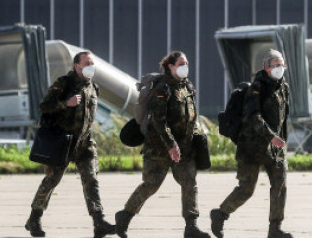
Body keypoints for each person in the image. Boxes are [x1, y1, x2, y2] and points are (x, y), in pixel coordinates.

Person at [115, 51, 210, 238]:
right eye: (181, 63)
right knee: (151, 185)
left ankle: (191, 226)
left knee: (189, 182)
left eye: (186, 63)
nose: (185, 66)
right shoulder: (162, 89)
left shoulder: (187, 86)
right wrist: (171, 145)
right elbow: (159, 121)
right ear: (171, 67)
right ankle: (125, 216)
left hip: (184, 148)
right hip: (159, 147)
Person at [26, 50, 116, 238]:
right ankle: (34, 218)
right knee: (51, 181)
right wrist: (66, 103)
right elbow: (44, 106)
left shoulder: (93, 87)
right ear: (77, 66)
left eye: (92, 63)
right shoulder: (64, 83)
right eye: (87, 63)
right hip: (62, 142)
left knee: (91, 180)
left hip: (84, 143)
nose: (91, 66)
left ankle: (99, 222)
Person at [210, 49, 293, 238]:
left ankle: (275, 228)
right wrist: (271, 136)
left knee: (280, 185)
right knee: (246, 190)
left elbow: (283, 119)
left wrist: (282, 142)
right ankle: (220, 214)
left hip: (275, 148)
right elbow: (253, 116)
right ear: (266, 67)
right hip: (251, 147)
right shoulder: (257, 87)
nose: (280, 68)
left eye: (282, 65)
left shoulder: (283, 88)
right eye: (276, 65)